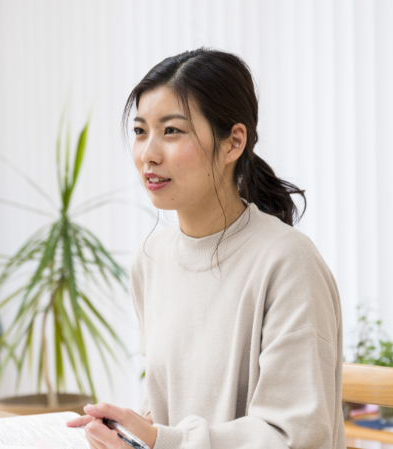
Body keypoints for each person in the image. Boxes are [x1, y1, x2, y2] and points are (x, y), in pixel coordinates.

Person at [65, 48, 346, 449]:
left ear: (233, 143)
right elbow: (167, 410)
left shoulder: (287, 261)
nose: (148, 154)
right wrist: (133, 434)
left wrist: (165, 440)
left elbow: (294, 435)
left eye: (172, 131)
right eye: (141, 131)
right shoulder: (151, 259)